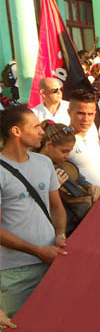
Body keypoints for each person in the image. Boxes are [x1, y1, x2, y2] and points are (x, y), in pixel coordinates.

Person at [0, 106, 67, 317]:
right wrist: (37, 251)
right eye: (36, 126)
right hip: (15, 271)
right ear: (16, 131)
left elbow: (56, 206)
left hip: (52, 263)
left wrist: (60, 235)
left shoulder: (44, 162)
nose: (42, 132)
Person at [36, 121, 100, 234]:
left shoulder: (67, 165)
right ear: (48, 145)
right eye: (64, 151)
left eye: (69, 151)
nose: (67, 156)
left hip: (75, 227)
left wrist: (91, 188)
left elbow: (81, 181)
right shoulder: (32, 168)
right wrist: (52, 187)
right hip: (50, 231)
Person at [68, 89, 100, 188]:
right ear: (69, 112)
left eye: (90, 114)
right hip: (80, 201)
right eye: (81, 113)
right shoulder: (63, 141)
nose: (86, 119)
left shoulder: (92, 129)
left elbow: (89, 159)